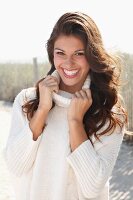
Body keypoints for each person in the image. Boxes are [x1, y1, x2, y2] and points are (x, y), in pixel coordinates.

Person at [4, 11, 127, 200]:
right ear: (52, 54)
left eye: (79, 53)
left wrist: (75, 121)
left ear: (93, 55)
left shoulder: (109, 111)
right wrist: (43, 110)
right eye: (60, 53)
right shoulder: (27, 100)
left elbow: (93, 189)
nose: (68, 63)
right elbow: (15, 167)